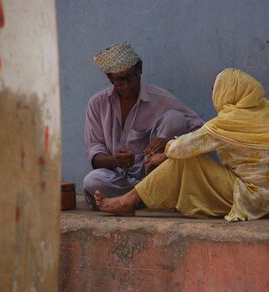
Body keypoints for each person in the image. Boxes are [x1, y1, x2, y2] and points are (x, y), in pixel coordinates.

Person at [94, 68, 269, 221]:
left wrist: (163, 154)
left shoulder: (231, 121)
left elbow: (184, 147)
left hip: (253, 198)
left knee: (184, 162)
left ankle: (127, 202)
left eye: (218, 89)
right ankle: (137, 196)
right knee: (181, 159)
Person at [83, 42, 203, 208]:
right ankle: (140, 198)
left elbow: (201, 130)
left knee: (175, 119)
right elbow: (95, 153)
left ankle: (134, 198)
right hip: (119, 179)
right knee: (92, 181)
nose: (128, 84)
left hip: (154, 175)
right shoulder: (97, 104)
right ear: (110, 78)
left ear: (139, 68)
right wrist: (116, 160)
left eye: (131, 76)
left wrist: (170, 141)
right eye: (120, 80)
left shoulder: (161, 99)